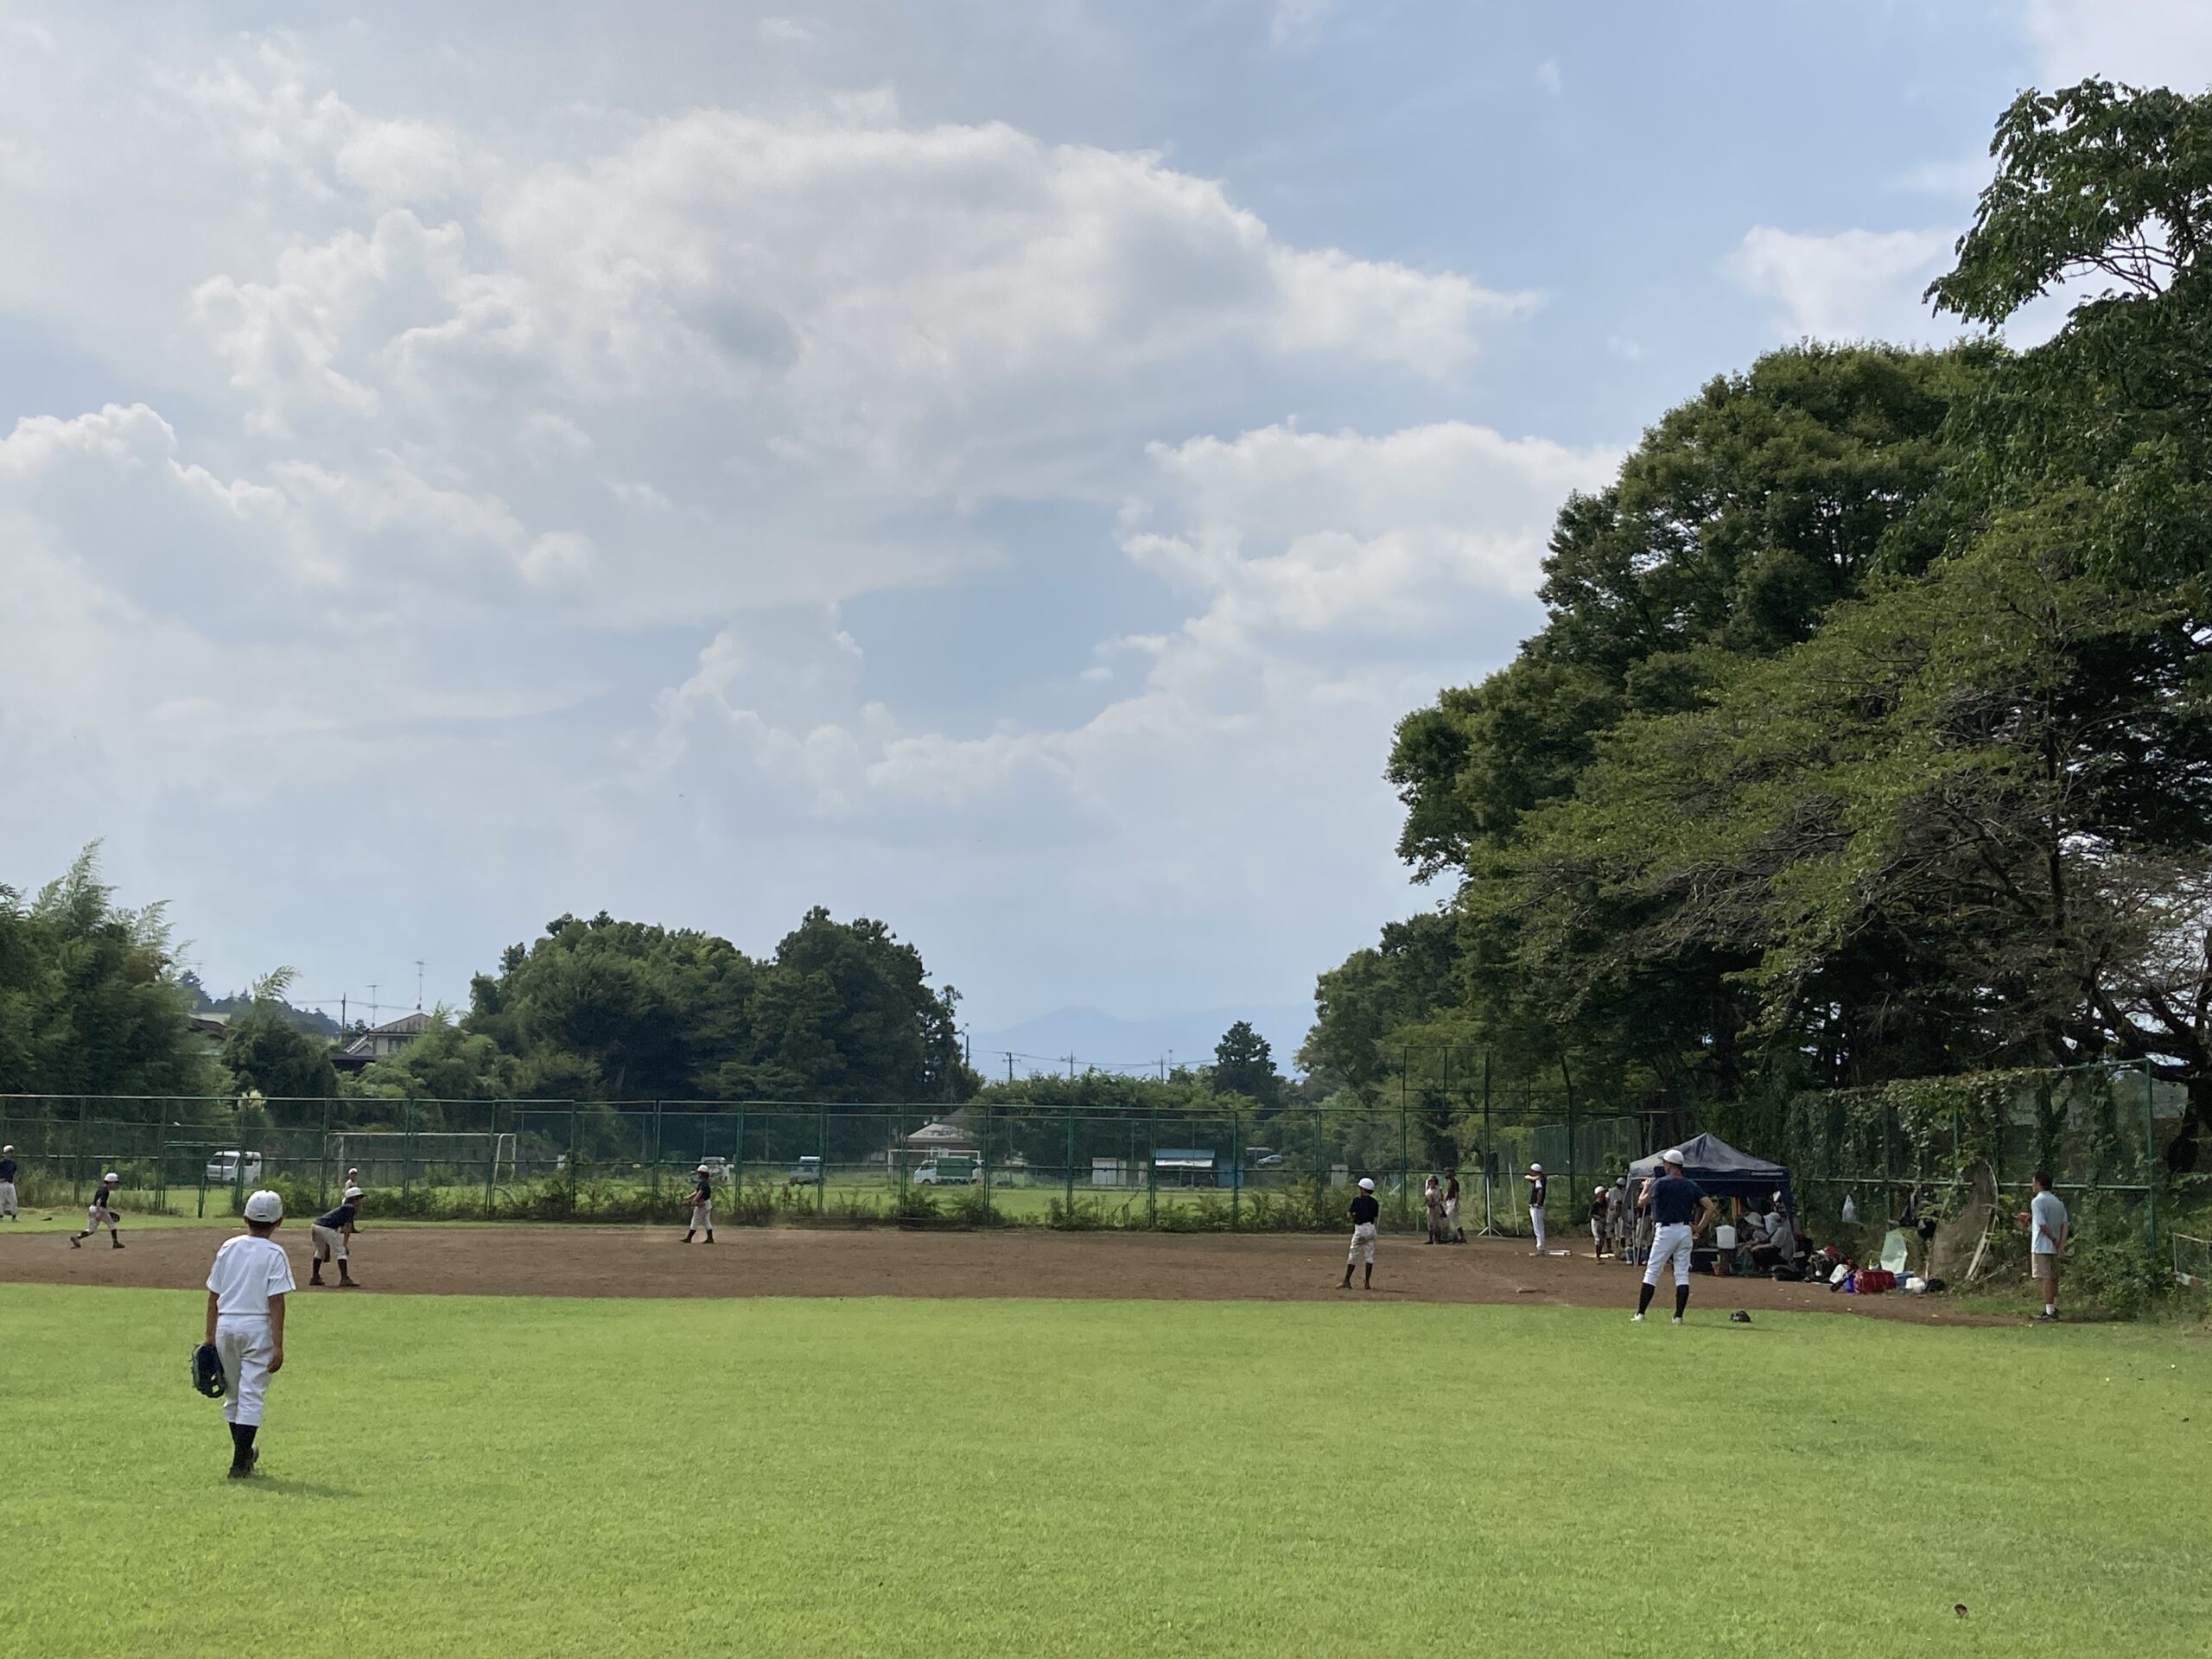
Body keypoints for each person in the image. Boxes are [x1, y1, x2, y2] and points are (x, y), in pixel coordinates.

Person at [203, 1189, 295, 1478]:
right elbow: (276, 1299)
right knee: (251, 1395)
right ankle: (240, 1463)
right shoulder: (275, 1252)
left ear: (245, 1218)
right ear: (279, 1221)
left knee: (233, 1396)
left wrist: (209, 1337)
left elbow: (213, 1294)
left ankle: (244, 1456)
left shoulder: (228, 1247)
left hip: (226, 1326)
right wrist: (278, 1345)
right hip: (257, 1327)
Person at [1633, 1149, 1716, 1324]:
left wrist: (1646, 1187)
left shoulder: (1661, 1183)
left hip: (1665, 1230)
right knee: (1682, 1274)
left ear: (1670, 1165)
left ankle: (1641, 1313)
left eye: (1665, 1163)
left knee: (1653, 1271)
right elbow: (1710, 1207)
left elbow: (1641, 1202)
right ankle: (1678, 1317)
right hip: (1685, 1230)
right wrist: (1698, 1228)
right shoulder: (1690, 1184)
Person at [2020, 1171, 2069, 1322]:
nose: (2032, 1185)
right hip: (2054, 1246)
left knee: (2046, 1278)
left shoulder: (2037, 1201)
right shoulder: (2057, 1202)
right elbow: (2064, 1224)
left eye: (2034, 1182)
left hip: (2042, 1245)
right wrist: (2061, 1242)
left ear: (2039, 1184)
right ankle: (2053, 1308)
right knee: (2053, 1277)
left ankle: (2049, 1312)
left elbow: (2042, 1225)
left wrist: (2054, 1239)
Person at [308, 1185, 365, 1287]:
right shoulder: (350, 1208)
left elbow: (347, 1226)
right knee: (341, 1251)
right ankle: (344, 1279)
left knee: (320, 1251)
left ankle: (315, 1277)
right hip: (325, 1228)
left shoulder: (346, 1208)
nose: (359, 1201)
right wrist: (345, 1245)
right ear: (353, 1199)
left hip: (316, 1226)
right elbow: (347, 1228)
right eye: (358, 1198)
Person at [1339, 1177, 1380, 1290]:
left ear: (1363, 1189)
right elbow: (1374, 1216)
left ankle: (1347, 1280)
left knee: (1353, 1253)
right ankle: (1367, 1282)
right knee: (1369, 1256)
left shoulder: (1357, 1200)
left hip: (1360, 1228)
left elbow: (1349, 1214)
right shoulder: (1375, 1202)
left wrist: (1353, 1219)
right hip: (1371, 1228)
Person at [69, 1172, 124, 1249]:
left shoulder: (101, 1188)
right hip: (99, 1209)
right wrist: (99, 1212)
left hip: (92, 1209)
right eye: (115, 1183)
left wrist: (104, 1211)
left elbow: (101, 1202)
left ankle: (77, 1238)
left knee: (91, 1230)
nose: (115, 1185)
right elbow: (99, 1201)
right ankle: (115, 1243)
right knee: (112, 1225)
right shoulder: (105, 1190)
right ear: (111, 1182)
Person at [683, 1163, 715, 1244]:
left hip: (702, 1204)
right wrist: (689, 1197)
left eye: (699, 1173)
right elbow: (697, 1192)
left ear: (702, 1173)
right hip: (707, 1203)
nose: (698, 1174)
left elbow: (700, 1192)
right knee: (706, 1221)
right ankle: (710, 1238)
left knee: (695, 1220)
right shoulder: (704, 1182)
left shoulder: (703, 1183)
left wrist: (694, 1200)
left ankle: (689, 1238)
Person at [1525, 1163, 1548, 1255]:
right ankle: (1541, 1247)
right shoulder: (1539, 1179)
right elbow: (1527, 1177)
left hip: (1536, 1207)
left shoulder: (1539, 1180)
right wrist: (1535, 1178)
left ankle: (1540, 1248)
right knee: (1539, 1228)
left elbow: (1540, 1191)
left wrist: (1537, 1203)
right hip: (1537, 1207)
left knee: (1538, 1228)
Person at [1588, 1185, 1611, 1257]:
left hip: (1602, 1222)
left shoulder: (1605, 1202)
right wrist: (1599, 1217)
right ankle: (1597, 1256)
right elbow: (1591, 1214)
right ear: (1598, 1194)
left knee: (1602, 1239)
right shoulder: (1595, 1204)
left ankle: (1599, 1254)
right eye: (1602, 1192)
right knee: (1598, 1239)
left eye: (1603, 1192)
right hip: (1596, 1222)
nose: (1603, 1194)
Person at [1422, 1174, 1445, 1244]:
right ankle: (1431, 1239)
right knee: (1430, 1224)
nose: (1432, 1182)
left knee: (1437, 1224)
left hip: (1436, 1208)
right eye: (1430, 1181)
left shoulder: (1437, 1190)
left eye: (1433, 1181)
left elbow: (1441, 1199)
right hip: (1430, 1208)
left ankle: (1437, 1239)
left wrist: (1442, 1210)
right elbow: (1426, 1199)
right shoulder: (1428, 1190)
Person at [1444, 1171, 1465, 1243]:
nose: (1447, 1175)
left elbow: (1456, 1194)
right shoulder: (1451, 1182)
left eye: (1448, 1173)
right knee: (1456, 1221)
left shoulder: (1455, 1183)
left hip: (1453, 1202)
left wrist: (1455, 1203)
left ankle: (1448, 1235)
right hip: (1450, 1201)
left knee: (1446, 1218)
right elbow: (1449, 1192)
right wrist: (1446, 1195)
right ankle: (1462, 1237)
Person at [0, 1144, 17, 1220]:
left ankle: (14, 1215)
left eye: (11, 1152)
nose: (10, 1154)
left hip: (10, 1183)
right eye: (9, 1152)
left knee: (13, 1200)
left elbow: (12, 1173)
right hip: (2, 1183)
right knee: (1, 1200)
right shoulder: (1, 1163)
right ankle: (0, 1216)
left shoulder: (13, 1164)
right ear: (5, 1153)